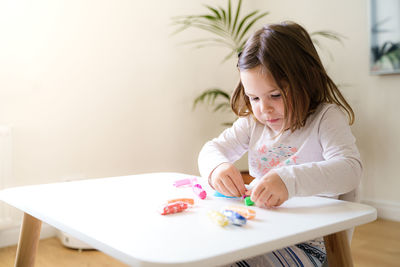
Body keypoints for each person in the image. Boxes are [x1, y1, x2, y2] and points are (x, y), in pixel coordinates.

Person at [198, 21, 362, 267]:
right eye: (254, 97)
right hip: (258, 232)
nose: (264, 109)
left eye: (275, 95)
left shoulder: (325, 118)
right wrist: (217, 168)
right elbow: (211, 149)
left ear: (305, 80)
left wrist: (289, 181)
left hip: (308, 243)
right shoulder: (253, 124)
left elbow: (350, 170)